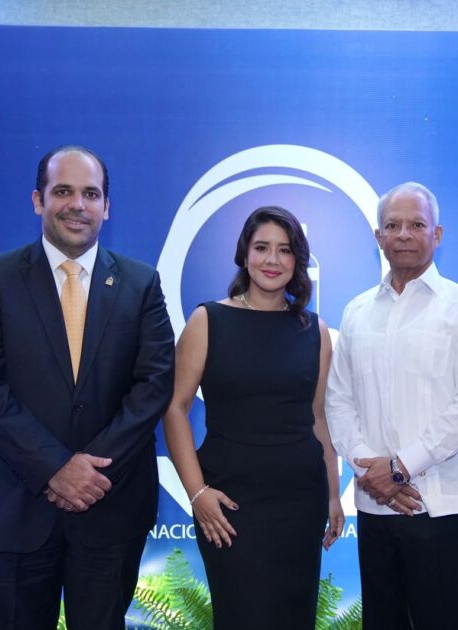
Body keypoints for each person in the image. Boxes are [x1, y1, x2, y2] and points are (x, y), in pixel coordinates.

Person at [0, 145, 175, 628]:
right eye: (63, 191)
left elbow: (153, 386)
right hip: (14, 505)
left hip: (108, 505)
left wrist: (88, 474)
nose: (78, 204)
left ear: (107, 207)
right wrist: (54, 467)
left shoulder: (141, 284)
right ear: (38, 199)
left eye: (90, 193)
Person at [162, 206, 345, 630]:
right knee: (242, 616)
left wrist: (334, 495)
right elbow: (175, 409)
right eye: (262, 247)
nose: (272, 260)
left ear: (298, 260)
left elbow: (318, 418)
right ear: (245, 253)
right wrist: (196, 493)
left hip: (301, 500)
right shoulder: (208, 319)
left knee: (293, 618)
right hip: (230, 503)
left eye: (284, 250)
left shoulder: (313, 330)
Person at [326, 182, 458, 630]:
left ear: (437, 235)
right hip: (376, 506)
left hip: (443, 506)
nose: (404, 234)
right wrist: (371, 471)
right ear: (378, 236)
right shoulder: (357, 312)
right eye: (393, 225)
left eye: (417, 225)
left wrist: (400, 467)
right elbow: (338, 398)